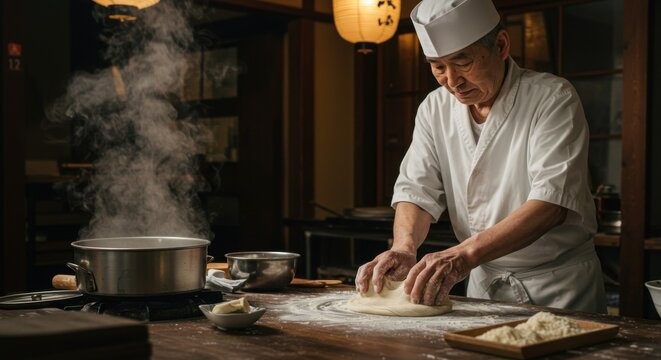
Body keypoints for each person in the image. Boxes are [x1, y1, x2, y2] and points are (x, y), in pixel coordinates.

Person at [355, 0, 606, 313]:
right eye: (438, 66)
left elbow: (551, 204)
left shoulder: (552, 98)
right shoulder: (434, 109)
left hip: (557, 287)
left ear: (501, 45)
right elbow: (416, 191)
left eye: (462, 62)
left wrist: (463, 256)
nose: (452, 81)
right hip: (483, 284)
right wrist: (404, 246)